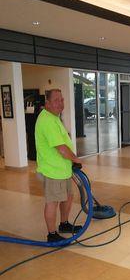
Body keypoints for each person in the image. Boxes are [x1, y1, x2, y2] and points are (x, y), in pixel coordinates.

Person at [35, 88, 82, 242]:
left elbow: (63, 142)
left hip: (63, 169)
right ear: (47, 103)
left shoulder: (54, 117)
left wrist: (71, 162)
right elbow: (61, 148)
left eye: (61, 100)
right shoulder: (47, 120)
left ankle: (64, 224)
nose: (60, 103)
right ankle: (52, 234)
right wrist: (75, 159)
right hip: (52, 170)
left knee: (68, 197)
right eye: (56, 100)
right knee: (53, 202)